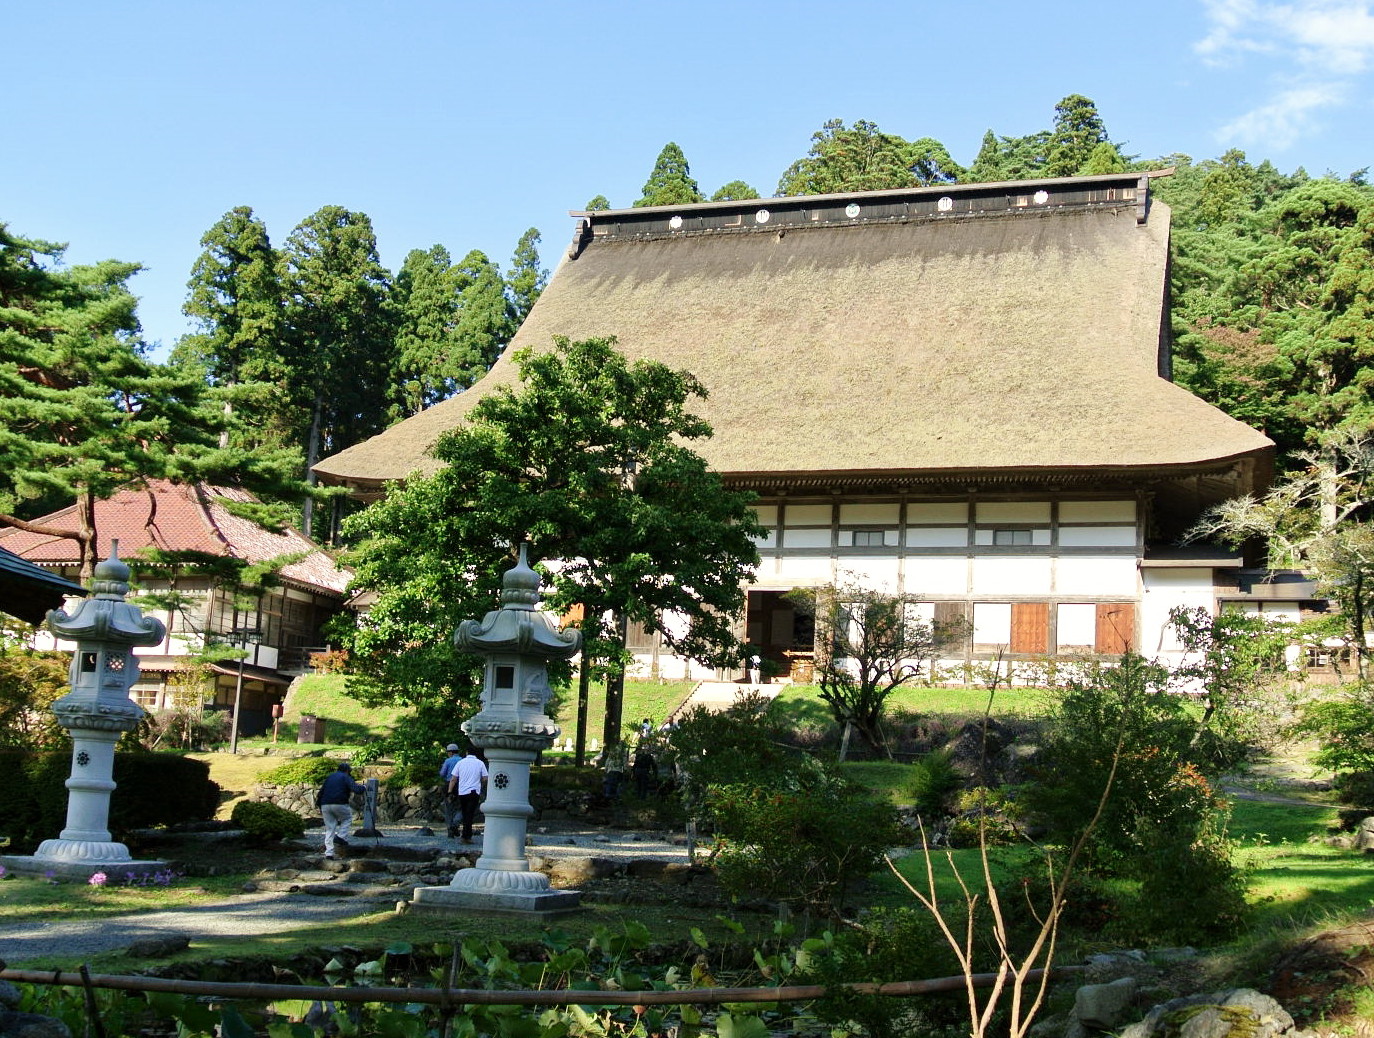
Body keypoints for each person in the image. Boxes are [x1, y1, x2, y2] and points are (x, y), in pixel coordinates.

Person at [315, 761, 365, 860]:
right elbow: (356, 789)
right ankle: (341, 837)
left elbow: (321, 792)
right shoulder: (345, 777)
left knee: (330, 828)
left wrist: (319, 805)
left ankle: (329, 853)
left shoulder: (330, 777)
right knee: (347, 819)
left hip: (325, 804)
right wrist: (364, 787)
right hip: (339, 803)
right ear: (347, 771)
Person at [447, 746, 488, 844]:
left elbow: (453, 779)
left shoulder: (460, 763)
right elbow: (485, 778)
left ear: (466, 752)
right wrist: (480, 782)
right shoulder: (480, 763)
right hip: (474, 791)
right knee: (470, 814)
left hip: (462, 792)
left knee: (465, 813)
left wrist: (450, 791)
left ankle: (465, 835)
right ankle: (466, 836)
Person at [438, 743, 461, 837]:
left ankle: (450, 829)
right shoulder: (462, 760)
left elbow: (442, 774)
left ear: (450, 752)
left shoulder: (447, 761)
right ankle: (456, 823)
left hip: (449, 785)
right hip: (461, 785)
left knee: (449, 808)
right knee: (460, 807)